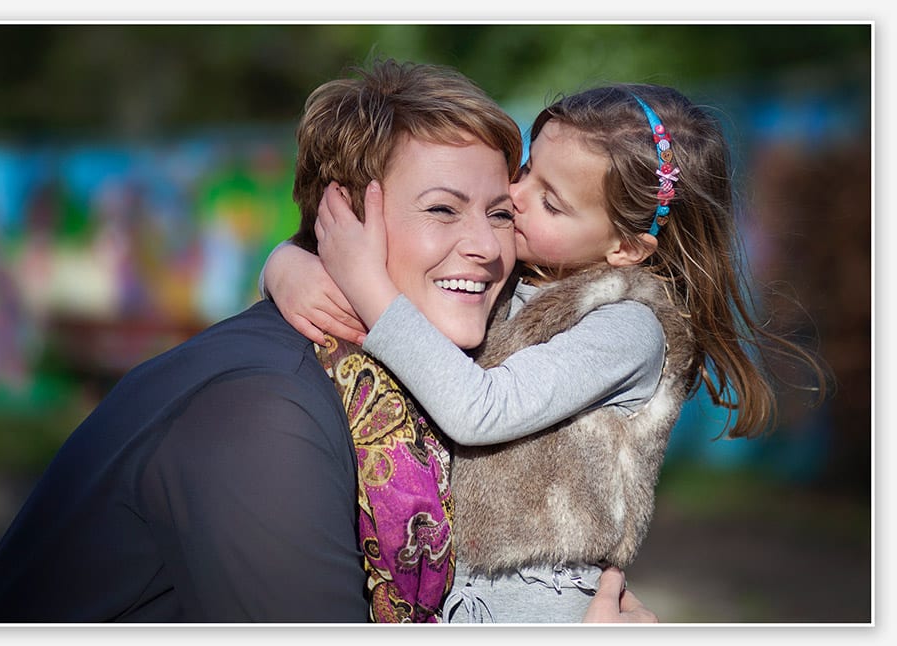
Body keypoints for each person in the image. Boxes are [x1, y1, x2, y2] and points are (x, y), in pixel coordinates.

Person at [0, 57, 650, 624]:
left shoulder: (417, 370)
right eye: (442, 209)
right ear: (343, 220)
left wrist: (288, 261)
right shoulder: (263, 413)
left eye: (500, 213)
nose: (484, 247)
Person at [263, 83, 827, 622]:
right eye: (528, 170)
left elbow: (480, 409)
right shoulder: (515, 278)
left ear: (625, 246)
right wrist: (285, 266)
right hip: (457, 585)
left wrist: (361, 281)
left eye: (551, 203)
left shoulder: (628, 327)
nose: (515, 196)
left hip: (537, 595)